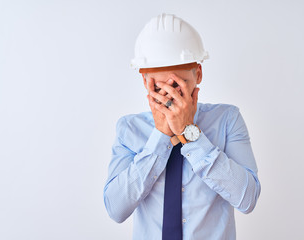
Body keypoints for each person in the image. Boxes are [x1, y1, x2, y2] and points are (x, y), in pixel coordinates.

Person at [103, 13, 261, 240]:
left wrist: (190, 133)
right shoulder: (129, 129)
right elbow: (115, 209)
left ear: (198, 74)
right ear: (145, 81)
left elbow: (247, 199)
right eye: (160, 89)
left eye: (178, 86)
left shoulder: (227, 119)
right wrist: (160, 136)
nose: (170, 99)